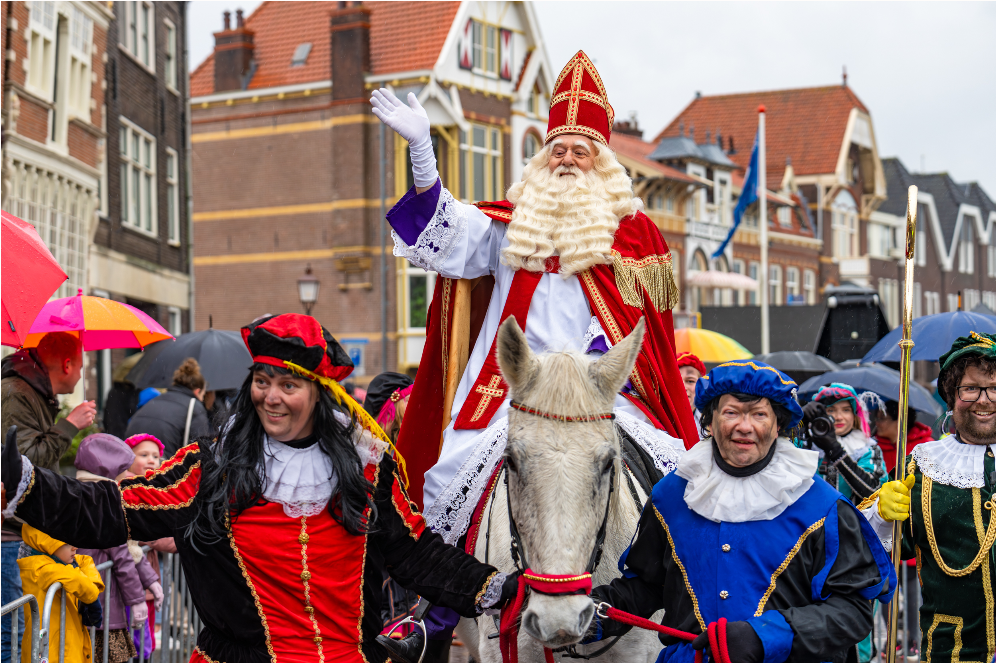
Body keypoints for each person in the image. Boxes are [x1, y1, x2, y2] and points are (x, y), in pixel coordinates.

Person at [1, 313, 519, 663]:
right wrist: (20, 479)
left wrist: (502, 588)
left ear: (318, 393)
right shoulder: (212, 468)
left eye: (288, 385)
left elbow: (416, 555)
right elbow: (108, 509)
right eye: (262, 381)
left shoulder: (368, 469)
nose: (270, 398)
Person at [587, 361, 896, 663]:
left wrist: (764, 637)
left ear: (777, 426)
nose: (744, 426)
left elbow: (852, 612)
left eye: (759, 415)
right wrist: (591, 614)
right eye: (731, 413)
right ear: (710, 422)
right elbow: (648, 585)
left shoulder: (822, 505)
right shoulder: (671, 496)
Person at [868, 331, 996, 663]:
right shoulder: (922, 466)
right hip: (952, 651)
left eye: (995, 388)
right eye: (971, 388)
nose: (984, 399)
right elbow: (868, 553)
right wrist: (881, 518)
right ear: (951, 395)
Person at [1, 331, 96, 663]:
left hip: (22, 532)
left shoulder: (33, 393)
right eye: (81, 367)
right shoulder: (16, 393)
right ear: (67, 365)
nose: (82, 374)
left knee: (21, 630)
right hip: (9, 535)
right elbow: (22, 462)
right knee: (10, 633)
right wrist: (69, 425)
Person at [72, 433, 161, 663]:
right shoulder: (105, 503)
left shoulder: (81, 497)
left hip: (86, 602)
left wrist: (150, 581)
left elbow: (130, 551)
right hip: (106, 608)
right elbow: (122, 556)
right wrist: (137, 600)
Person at [17, 524, 104, 663]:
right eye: (67, 542)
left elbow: (85, 561)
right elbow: (74, 577)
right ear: (47, 542)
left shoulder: (58, 561)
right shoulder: (38, 567)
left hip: (65, 647)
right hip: (51, 653)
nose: (75, 546)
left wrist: (89, 590)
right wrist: (92, 599)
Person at [802, 383, 888, 504]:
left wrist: (836, 451)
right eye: (831, 410)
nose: (838, 417)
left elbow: (873, 492)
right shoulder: (807, 442)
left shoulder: (867, 449)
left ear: (854, 415)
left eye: (846, 410)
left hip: (852, 521)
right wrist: (800, 422)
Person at [125, 358, 211, 458]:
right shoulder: (194, 407)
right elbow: (200, 449)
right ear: (197, 391)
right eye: (203, 394)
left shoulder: (156, 399)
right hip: (165, 466)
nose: (202, 399)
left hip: (134, 459)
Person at [874, 399, 934, 474]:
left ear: (899, 420)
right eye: (877, 418)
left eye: (882, 419)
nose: (877, 423)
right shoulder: (874, 448)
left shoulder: (926, 445)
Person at [676, 352, 707, 438]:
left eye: (690, 381)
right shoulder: (655, 421)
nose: (683, 388)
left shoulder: (711, 422)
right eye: (677, 381)